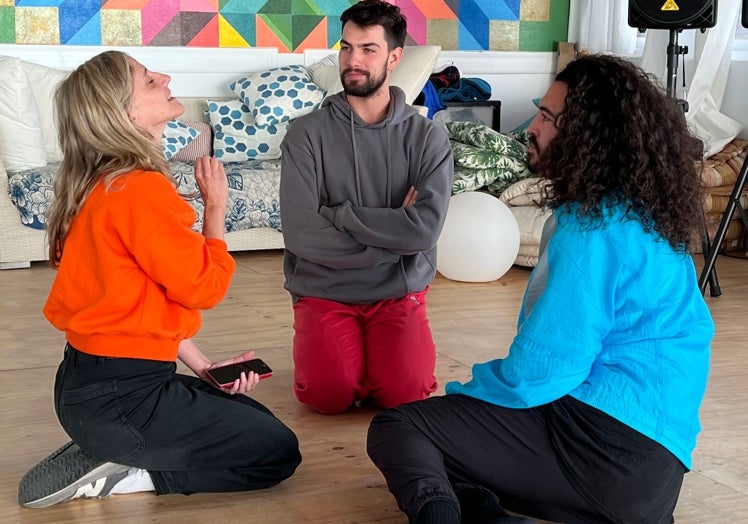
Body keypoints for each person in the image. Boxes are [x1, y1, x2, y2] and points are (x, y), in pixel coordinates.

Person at [367, 54, 715, 524]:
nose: (532, 126)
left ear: (590, 136)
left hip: (600, 450)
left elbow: (545, 366)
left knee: (401, 426)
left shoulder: (590, 229)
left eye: (548, 118)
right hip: (654, 478)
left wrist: (467, 395)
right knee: (461, 450)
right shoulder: (646, 219)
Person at [17, 51, 301, 509]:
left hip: (87, 388)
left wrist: (203, 367)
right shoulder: (141, 189)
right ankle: (129, 469)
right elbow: (204, 288)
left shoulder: (99, 183)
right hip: (123, 398)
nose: (165, 78)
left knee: (248, 415)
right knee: (277, 453)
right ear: (126, 112)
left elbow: (136, 301)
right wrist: (215, 211)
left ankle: (111, 445)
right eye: (150, 80)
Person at [279, 0, 454, 415]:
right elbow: (302, 232)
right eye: (346, 47)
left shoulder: (427, 138)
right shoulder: (305, 134)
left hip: (398, 290)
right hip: (323, 290)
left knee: (404, 395)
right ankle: (342, 361)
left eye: (368, 49)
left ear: (395, 57)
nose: (352, 60)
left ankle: (376, 363)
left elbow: (424, 231)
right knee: (328, 396)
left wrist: (339, 214)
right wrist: (392, 239)